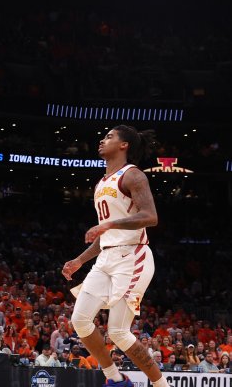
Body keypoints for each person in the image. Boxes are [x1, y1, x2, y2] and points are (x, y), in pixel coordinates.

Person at [61, 126, 168, 387]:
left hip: (133, 256)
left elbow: (150, 217)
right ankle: (116, 379)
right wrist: (80, 260)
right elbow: (105, 235)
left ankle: (162, 385)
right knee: (80, 320)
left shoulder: (133, 176)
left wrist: (109, 225)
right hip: (106, 257)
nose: (102, 139)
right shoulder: (101, 183)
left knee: (118, 332)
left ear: (124, 146)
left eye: (109, 136)